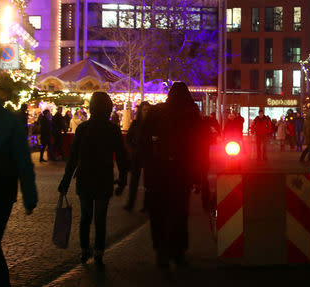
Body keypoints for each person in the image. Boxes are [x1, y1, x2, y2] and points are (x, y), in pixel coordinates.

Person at [58, 92, 128, 270]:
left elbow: (72, 158)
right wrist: (122, 180)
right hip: (103, 178)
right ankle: (98, 252)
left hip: (85, 178)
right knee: (100, 218)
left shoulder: (83, 129)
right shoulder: (112, 129)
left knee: (85, 216)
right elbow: (121, 157)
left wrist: (65, 181)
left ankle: (84, 249)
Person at [141, 82, 202, 271]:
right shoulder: (191, 113)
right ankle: (178, 252)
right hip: (180, 173)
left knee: (158, 212)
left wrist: (146, 169)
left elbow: (144, 142)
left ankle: (160, 248)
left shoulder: (156, 112)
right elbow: (199, 147)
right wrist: (199, 175)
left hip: (157, 172)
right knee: (179, 213)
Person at [0, 78, 38, 286]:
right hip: (2, 192)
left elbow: (23, 161)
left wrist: (30, 196)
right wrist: (29, 197)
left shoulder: (9, 122)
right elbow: (24, 162)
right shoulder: (10, 122)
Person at [124, 101, 151, 212]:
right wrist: (133, 148)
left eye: (148, 110)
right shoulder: (135, 124)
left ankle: (147, 206)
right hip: (136, 156)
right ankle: (130, 203)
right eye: (144, 110)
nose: (146, 112)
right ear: (140, 111)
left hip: (149, 156)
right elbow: (128, 138)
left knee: (148, 183)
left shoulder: (152, 125)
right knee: (134, 181)